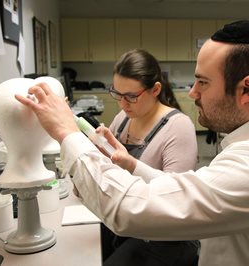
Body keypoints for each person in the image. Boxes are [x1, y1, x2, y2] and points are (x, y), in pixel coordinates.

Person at [15, 20, 249, 266]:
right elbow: (195, 187)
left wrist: (67, 132)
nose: (193, 93)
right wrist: (133, 165)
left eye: (203, 82)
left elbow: (131, 211)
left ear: (247, 90)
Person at [101, 49, 200, 266]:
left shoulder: (178, 126)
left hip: (164, 236)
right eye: (117, 94)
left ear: (155, 89)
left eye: (131, 97)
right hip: (128, 222)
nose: (122, 104)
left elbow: (177, 198)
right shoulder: (123, 118)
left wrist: (131, 164)